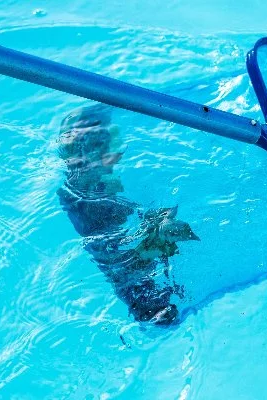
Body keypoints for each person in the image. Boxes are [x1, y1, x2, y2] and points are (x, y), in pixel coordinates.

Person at [55, 104, 199, 325]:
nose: (117, 158)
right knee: (137, 280)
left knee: (134, 280)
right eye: (109, 152)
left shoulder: (75, 190)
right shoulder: (89, 195)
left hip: (119, 253)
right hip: (122, 253)